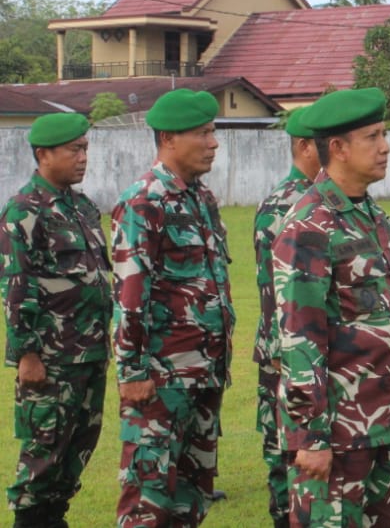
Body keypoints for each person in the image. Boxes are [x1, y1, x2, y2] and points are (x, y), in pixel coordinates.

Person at [272, 87, 390, 527]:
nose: (386, 146)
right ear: (337, 148)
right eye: (372, 137)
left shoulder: (373, 216)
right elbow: (299, 340)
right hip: (338, 433)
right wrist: (310, 435)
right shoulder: (309, 225)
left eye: (384, 134)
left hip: (384, 422)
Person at [113, 88, 235, 527]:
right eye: (203, 133)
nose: (213, 142)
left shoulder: (200, 199)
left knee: (190, 496)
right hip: (161, 378)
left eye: (213, 131)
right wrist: (132, 371)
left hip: (203, 371)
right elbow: (130, 296)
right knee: (148, 498)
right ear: (168, 138)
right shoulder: (144, 202)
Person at [0, 114, 111, 528]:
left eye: (85, 149)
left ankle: (54, 518)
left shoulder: (81, 207)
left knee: (78, 450)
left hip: (91, 352)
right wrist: (26, 355)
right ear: (43, 155)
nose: (83, 158)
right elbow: (16, 288)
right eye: (74, 150)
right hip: (51, 359)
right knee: (42, 455)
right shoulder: (25, 211)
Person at [252, 106, 320, 528]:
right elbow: (275, 292)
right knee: (286, 448)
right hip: (286, 350)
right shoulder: (285, 204)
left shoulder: (320, 199)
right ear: (302, 146)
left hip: (304, 348)